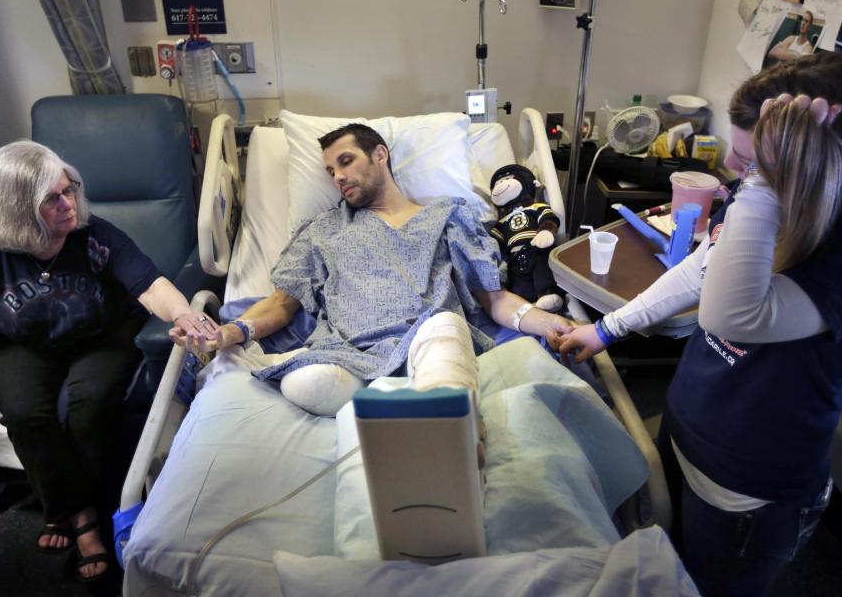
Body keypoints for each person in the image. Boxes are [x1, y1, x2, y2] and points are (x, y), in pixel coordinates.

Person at [549, 52, 842, 596]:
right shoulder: (780, 201)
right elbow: (702, 269)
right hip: (686, 434)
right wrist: (607, 328)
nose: (733, 169)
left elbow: (733, 313)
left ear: (810, 163)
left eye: (752, 162)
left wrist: (765, 183)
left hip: (747, 495)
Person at [0, 140, 217, 582]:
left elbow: (148, 283)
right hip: (17, 342)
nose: (69, 204)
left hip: (99, 335)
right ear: (16, 209)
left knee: (89, 407)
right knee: (25, 414)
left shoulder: (93, 235)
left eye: (70, 190)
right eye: (52, 199)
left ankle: (67, 512)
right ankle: (82, 515)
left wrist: (182, 313)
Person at [176, 123, 574, 416]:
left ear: (380, 154)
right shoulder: (323, 230)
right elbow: (282, 303)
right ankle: (408, 409)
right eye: (331, 171)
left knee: (444, 328)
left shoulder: (448, 216)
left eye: (346, 162)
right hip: (347, 352)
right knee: (306, 382)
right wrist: (228, 332)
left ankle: (450, 425)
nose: (338, 177)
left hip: (430, 336)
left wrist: (543, 322)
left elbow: (492, 296)